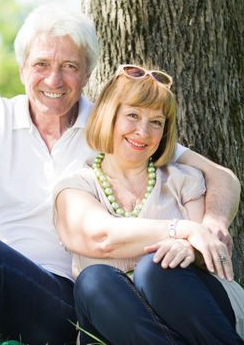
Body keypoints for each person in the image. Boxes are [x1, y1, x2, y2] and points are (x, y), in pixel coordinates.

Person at [0, 2, 240, 345]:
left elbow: (221, 176)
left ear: (87, 72)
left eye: (69, 67)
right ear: (23, 68)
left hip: (53, 304)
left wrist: (212, 224)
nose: (54, 81)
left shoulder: (109, 127)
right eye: (41, 64)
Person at [53, 64, 244, 345]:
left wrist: (188, 246)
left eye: (156, 122)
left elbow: (209, 251)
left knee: (157, 269)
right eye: (132, 115)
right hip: (121, 324)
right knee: (94, 279)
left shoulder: (184, 180)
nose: (143, 131)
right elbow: (101, 237)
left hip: (200, 318)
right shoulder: (76, 187)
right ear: (109, 117)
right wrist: (182, 229)